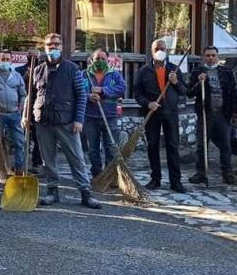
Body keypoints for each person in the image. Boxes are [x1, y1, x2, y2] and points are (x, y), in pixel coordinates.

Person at [29, 33, 101, 208]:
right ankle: (52, 191)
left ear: (61, 47)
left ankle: (85, 193)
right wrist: (27, 116)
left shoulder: (72, 69)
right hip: (43, 121)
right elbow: (30, 96)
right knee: (48, 160)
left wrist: (78, 119)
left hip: (67, 121)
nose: (52, 48)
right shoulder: (37, 70)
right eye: (49, 45)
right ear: (44, 48)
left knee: (76, 158)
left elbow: (81, 95)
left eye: (56, 45)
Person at [134, 39, 188, 192]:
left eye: (163, 48)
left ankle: (176, 182)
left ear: (167, 50)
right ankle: (155, 179)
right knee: (152, 146)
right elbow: (137, 93)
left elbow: (184, 91)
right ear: (152, 51)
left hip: (170, 112)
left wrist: (176, 82)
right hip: (152, 113)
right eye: (157, 48)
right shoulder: (144, 71)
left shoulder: (174, 70)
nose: (160, 50)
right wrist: (147, 103)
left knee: (173, 146)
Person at [186, 46, 237, 185]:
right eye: (208, 55)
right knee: (202, 144)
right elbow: (190, 92)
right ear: (204, 57)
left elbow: (234, 92)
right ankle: (201, 172)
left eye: (213, 55)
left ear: (217, 56)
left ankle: (227, 172)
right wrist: (199, 82)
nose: (210, 58)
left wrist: (235, 111)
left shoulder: (226, 72)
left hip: (223, 113)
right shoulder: (198, 72)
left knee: (226, 144)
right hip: (206, 112)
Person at [82, 49, 126, 177]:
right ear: (92, 60)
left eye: (103, 59)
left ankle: (109, 175)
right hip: (90, 117)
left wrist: (103, 90)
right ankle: (96, 173)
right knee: (92, 149)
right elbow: (76, 92)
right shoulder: (84, 74)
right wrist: (88, 96)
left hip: (110, 115)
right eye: (97, 59)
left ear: (108, 60)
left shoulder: (115, 74)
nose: (100, 61)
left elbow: (122, 89)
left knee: (111, 147)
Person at [0, 50, 27, 174]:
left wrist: (20, 109)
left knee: (19, 142)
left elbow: (23, 95)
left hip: (14, 114)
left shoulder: (17, 76)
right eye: (3, 59)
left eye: (7, 59)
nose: (5, 62)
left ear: (11, 61)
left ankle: (19, 168)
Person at [17, 48, 43, 173]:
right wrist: (25, 77)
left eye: (35, 56)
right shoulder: (19, 71)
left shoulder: (43, 71)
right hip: (24, 107)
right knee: (21, 137)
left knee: (38, 138)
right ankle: (21, 163)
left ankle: (36, 163)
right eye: (30, 55)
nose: (33, 58)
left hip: (38, 108)